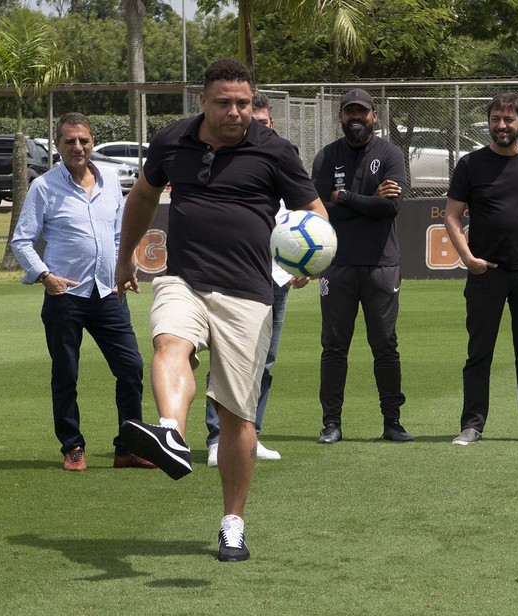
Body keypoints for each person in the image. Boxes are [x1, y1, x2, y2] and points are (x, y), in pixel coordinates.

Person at [115, 59, 326, 562]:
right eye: (224, 103)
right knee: (170, 343)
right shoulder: (172, 141)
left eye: (245, 103)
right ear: (203, 102)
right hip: (184, 278)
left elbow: (315, 213)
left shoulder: (274, 150)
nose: (236, 113)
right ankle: (170, 432)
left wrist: (311, 258)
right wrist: (126, 256)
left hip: (248, 295)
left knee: (235, 414)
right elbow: (143, 195)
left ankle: (232, 522)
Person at [11, 112, 154, 472]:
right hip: (65, 297)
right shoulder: (44, 187)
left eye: (84, 140)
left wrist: (128, 266)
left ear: (92, 143)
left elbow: (122, 235)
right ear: (57, 146)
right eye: (70, 141)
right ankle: (72, 447)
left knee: (132, 368)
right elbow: (22, 241)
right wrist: (45, 276)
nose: (78, 147)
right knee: (66, 373)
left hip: (108, 293)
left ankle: (128, 448)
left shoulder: (110, 184)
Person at [443, 92, 518, 446]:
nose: (501, 126)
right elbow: (452, 216)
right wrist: (468, 258)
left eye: (508, 119)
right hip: (486, 272)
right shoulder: (470, 165)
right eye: (496, 119)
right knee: (479, 351)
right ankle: (472, 425)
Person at [204, 91, 303, 466]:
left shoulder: (283, 158)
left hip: (275, 276)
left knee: (266, 361)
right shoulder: (230, 161)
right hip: (234, 274)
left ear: (272, 124)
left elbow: (301, 218)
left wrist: (301, 264)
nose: (257, 129)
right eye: (252, 123)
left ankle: (250, 434)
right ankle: (217, 438)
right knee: (225, 360)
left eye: (263, 124)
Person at [310, 88, 413, 445]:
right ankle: (331, 424)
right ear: (340, 117)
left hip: (381, 265)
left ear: (374, 116)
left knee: (385, 343)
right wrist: (369, 199)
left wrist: (347, 198)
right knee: (334, 345)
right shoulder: (326, 157)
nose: (356, 117)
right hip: (336, 266)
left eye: (362, 112)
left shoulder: (389, 153)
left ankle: (392, 422)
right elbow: (321, 208)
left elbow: (391, 208)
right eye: (349, 112)